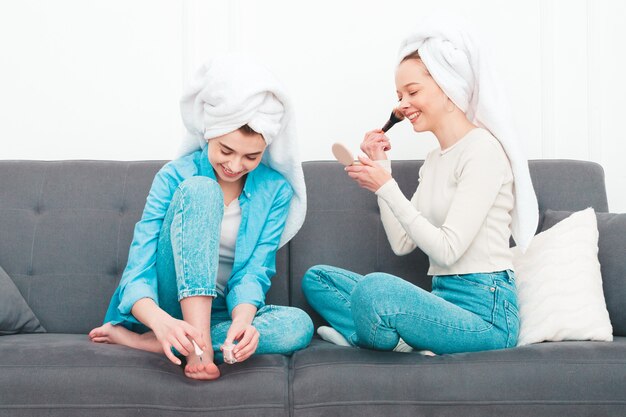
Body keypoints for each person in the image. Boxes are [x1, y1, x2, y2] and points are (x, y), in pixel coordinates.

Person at [302, 15, 538, 355]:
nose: (402, 105)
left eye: (412, 92)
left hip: (487, 316)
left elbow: (447, 249)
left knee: (375, 292)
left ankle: (375, 338)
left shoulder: (482, 150)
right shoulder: (434, 161)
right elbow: (401, 243)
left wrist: (387, 187)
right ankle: (391, 338)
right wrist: (382, 171)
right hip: (442, 301)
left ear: (449, 87)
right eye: (399, 95)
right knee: (318, 279)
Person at [89, 54, 313, 380]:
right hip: (167, 305)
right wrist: (160, 321)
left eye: (251, 156)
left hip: (222, 312)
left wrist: (242, 323)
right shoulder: (175, 176)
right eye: (225, 150)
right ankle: (194, 345)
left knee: (298, 326)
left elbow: (253, 273)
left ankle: (170, 343)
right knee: (202, 191)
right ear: (209, 134)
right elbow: (137, 272)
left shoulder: (275, 190)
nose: (235, 165)